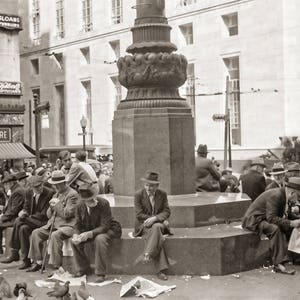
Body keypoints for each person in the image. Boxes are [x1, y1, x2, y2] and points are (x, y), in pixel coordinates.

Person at [242, 177, 300, 275]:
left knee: (292, 226)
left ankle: (296, 257)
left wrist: (295, 220)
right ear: (292, 193)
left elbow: (286, 214)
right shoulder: (276, 195)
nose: (298, 201)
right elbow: (272, 218)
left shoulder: (284, 195)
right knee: (275, 229)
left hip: (264, 218)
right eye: (298, 197)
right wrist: (291, 223)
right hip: (254, 220)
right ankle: (279, 264)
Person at [27, 170, 78, 272]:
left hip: (67, 225)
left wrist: (58, 205)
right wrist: (51, 207)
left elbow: (67, 214)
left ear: (64, 183)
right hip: (53, 224)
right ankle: (38, 261)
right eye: (55, 185)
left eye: (58, 185)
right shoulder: (56, 194)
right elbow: (49, 215)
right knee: (36, 233)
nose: (56, 187)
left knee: (55, 235)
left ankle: (57, 266)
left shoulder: (72, 194)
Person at [0, 176, 54, 269]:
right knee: (22, 228)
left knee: (18, 220)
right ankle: (26, 260)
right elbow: (26, 207)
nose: (39, 188)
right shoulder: (28, 192)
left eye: (40, 185)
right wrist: (24, 212)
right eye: (36, 187)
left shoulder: (49, 193)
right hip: (32, 221)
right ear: (31, 187)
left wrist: (26, 216)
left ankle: (15, 252)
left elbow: (44, 214)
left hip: (43, 222)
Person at [71, 185, 122, 283]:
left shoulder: (103, 203)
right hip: (90, 229)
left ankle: (100, 273)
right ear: (84, 200)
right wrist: (76, 235)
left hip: (109, 229)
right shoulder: (79, 205)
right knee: (73, 241)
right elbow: (77, 224)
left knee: (100, 239)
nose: (92, 201)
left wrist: (89, 233)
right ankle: (83, 268)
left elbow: (105, 226)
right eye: (88, 200)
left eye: (92, 198)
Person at [134, 171, 171, 281]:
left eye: (151, 186)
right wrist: (157, 219)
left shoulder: (162, 194)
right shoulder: (138, 195)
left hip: (157, 223)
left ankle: (147, 253)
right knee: (157, 231)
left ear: (157, 186)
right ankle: (160, 271)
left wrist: (155, 219)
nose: (148, 188)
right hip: (143, 225)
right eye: (146, 185)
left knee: (156, 227)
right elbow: (139, 214)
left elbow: (167, 211)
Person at [0, 174, 25, 254]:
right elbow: (11, 208)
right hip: (14, 217)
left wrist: (2, 218)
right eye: (4, 184)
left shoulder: (17, 191)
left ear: (11, 183)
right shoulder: (16, 190)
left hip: (16, 219)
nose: (5, 186)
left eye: (6, 183)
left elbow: (13, 211)